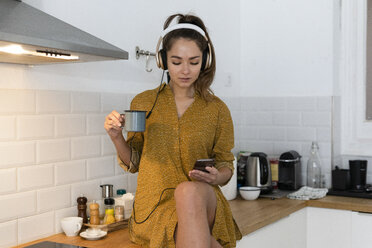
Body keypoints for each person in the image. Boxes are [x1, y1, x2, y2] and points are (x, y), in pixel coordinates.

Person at [104, 13, 242, 248]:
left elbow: (225, 165)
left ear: (205, 61)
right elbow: (133, 162)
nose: (185, 70)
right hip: (155, 208)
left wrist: (216, 177)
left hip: (203, 200)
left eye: (194, 62)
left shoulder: (217, 110)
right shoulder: (144, 103)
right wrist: (116, 137)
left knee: (188, 191)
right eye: (177, 62)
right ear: (163, 61)